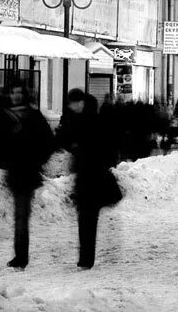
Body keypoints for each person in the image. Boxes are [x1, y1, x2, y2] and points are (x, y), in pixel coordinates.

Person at [58, 89, 120, 269]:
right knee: (85, 217)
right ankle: (85, 258)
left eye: (71, 103)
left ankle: (86, 259)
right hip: (84, 174)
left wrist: (83, 148)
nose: (69, 106)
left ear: (80, 102)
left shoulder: (95, 119)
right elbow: (64, 140)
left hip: (95, 175)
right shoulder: (74, 118)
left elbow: (107, 145)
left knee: (88, 217)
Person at [0, 82, 55, 269]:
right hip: (15, 173)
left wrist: (36, 160)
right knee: (19, 216)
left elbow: (48, 142)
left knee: (21, 217)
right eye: (12, 92)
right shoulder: (5, 114)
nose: (15, 96)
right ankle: (20, 255)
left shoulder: (33, 115)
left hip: (27, 173)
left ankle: (21, 257)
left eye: (18, 92)